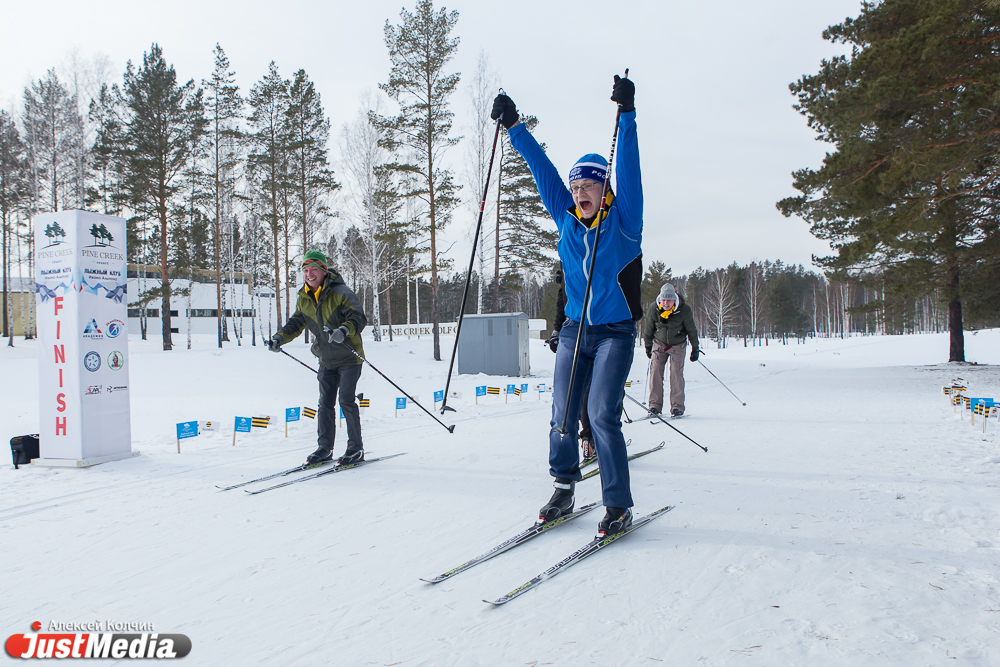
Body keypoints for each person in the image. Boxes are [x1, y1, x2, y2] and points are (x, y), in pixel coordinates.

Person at [492, 74, 644, 537]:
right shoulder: (565, 219)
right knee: (561, 412)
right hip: (577, 329)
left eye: (590, 186)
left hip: (616, 332)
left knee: (600, 413)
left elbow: (631, 172)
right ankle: (563, 487)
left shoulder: (624, 222)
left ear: (604, 191)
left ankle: (617, 505)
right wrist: (514, 125)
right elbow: (543, 170)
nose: (580, 192)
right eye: (577, 186)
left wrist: (628, 116)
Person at [266, 251, 368, 465]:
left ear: (323, 270)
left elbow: (358, 317)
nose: (309, 274)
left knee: (346, 401)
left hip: (349, 357)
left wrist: (344, 330)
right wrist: (278, 339)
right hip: (326, 359)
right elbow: (295, 324)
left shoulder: (340, 292)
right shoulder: (304, 298)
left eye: (313, 269)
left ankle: (355, 449)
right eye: (305, 270)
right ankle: (324, 449)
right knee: (325, 404)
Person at [546, 269, 594, 460]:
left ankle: (599, 439)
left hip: (599, 336)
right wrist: (556, 333)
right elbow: (561, 309)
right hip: (573, 340)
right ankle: (588, 440)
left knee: (598, 396)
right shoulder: (567, 283)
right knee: (576, 395)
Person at [641, 283, 700, 418]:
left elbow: (691, 330)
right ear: (660, 300)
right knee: (655, 371)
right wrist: (648, 346)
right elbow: (648, 329)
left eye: (669, 300)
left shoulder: (684, 310)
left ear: (674, 299)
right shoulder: (654, 308)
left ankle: (677, 407)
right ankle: (654, 406)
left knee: (676, 374)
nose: (666, 303)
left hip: (678, 344)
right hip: (659, 343)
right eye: (664, 300)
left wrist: (695, 348)